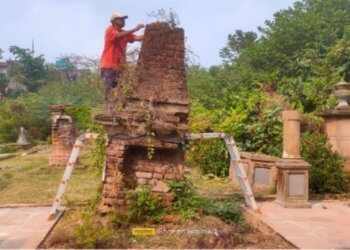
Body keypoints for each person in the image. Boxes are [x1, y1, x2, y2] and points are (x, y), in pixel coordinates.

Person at [100, 12, 144, 103]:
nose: (123, 21)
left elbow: (137, 38)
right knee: (110, 90)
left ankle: (118, 109)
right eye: (121, 19)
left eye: (124, 19)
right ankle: (109, 110)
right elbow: (117, 36)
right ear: (114, 21)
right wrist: (135, 29)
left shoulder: (124, 33)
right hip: (109, 66)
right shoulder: (110, 30)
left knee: (121, 89)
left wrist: (152, 34)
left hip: (120, 67)